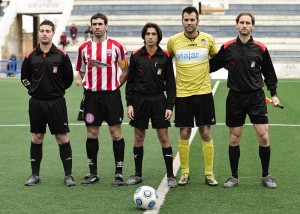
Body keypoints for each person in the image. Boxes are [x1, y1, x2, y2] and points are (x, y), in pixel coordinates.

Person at [209, 13, 279, 189]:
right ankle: (234, 177)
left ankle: (266, 175)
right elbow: (211, 65)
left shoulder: (260, 48)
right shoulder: (228, 47)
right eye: (242, 22)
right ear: (236, 25)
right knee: (234, 138)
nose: (245, 25)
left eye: (248, 23)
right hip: (235, 97)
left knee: (263, 137)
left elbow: (269, 73)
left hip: (256, 97)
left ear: (252, 26)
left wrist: (274, 93)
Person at [75, 13, 129, 186]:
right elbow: (81, 70)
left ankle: (119, 173)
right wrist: (80, 79)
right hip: (91, 97)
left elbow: (125, 70)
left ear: (107, 26)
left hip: (112, 97)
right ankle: (93, 173)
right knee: (92, 133)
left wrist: (115, 86)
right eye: (94, 24)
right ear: (91, 27)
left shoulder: (117, 47)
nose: (97, 27)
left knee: (116, 133)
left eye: (100, 24)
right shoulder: (83, 48)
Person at [167, 6, 218, 187]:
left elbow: (216, 60)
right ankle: (185, 173)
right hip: (182, 95)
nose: (189, 23)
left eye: (192, 20)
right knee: (184, 132)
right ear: (182, 21)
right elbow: (166, 64)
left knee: (205, 131)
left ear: (198, 21)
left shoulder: (208, 39)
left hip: (204, 93)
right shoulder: (173, 41)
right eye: (186, 20)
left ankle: (209, 173)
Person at [20, 20, 75, 187]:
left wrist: (55, 90)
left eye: (48, 31)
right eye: (42, 30)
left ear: (53, 33)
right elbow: (24, 78)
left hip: (56, 102)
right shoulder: (30, 56)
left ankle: (68, 175)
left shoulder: (61, 55)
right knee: (37, 138)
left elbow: (68, 79)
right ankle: (35, 175)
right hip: (36, 103)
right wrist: (34, 89)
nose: (44, 33)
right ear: (39, 33)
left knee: (62, 138)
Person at [125, 23, 177, 188]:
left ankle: (170, 176)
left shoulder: (165, 56)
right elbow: (130, 82)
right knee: (139, 137)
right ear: (144, 36)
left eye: (153, 34)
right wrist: (129, 104)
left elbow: (170, 83)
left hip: (158, 101)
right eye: (148, 33)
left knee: (164, 137)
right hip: (139, 101)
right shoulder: (135, 55)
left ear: (158, 36)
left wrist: (170, 106)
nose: (150, 36)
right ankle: (138, 174)